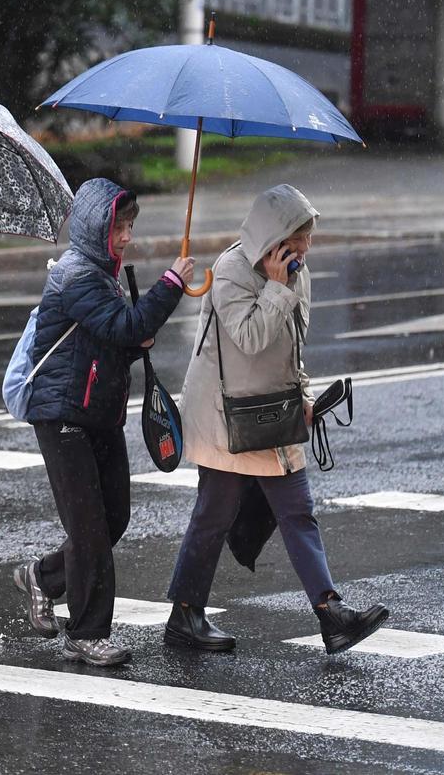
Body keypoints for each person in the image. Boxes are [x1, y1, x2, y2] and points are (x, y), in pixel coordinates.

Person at [164, 184, 388, 654]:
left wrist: (304, 394)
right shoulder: (231, 270)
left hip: (273, 411)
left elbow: (291, 346)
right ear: (275, 237)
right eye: (299, 237)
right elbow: (249, 338)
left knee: (297, 510)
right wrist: (275, 287)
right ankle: (185, 613)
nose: (306, 247)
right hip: (225, 417)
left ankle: (330, 613)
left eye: (308, 237)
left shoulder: (295, 273)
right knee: (214, 515)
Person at [18, 177, 192, 666]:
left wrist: (133, 344)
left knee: (113, 517)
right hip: (62, 414)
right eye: (119, 227)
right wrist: (171, 284)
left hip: (98, 413)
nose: (127, 237)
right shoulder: (77, 275)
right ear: (96, 227)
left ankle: (43, 577)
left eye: (130, 226)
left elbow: (106, 342)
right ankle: (86, 633)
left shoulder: (102, 274)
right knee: (91, 529)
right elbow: (124, 326)